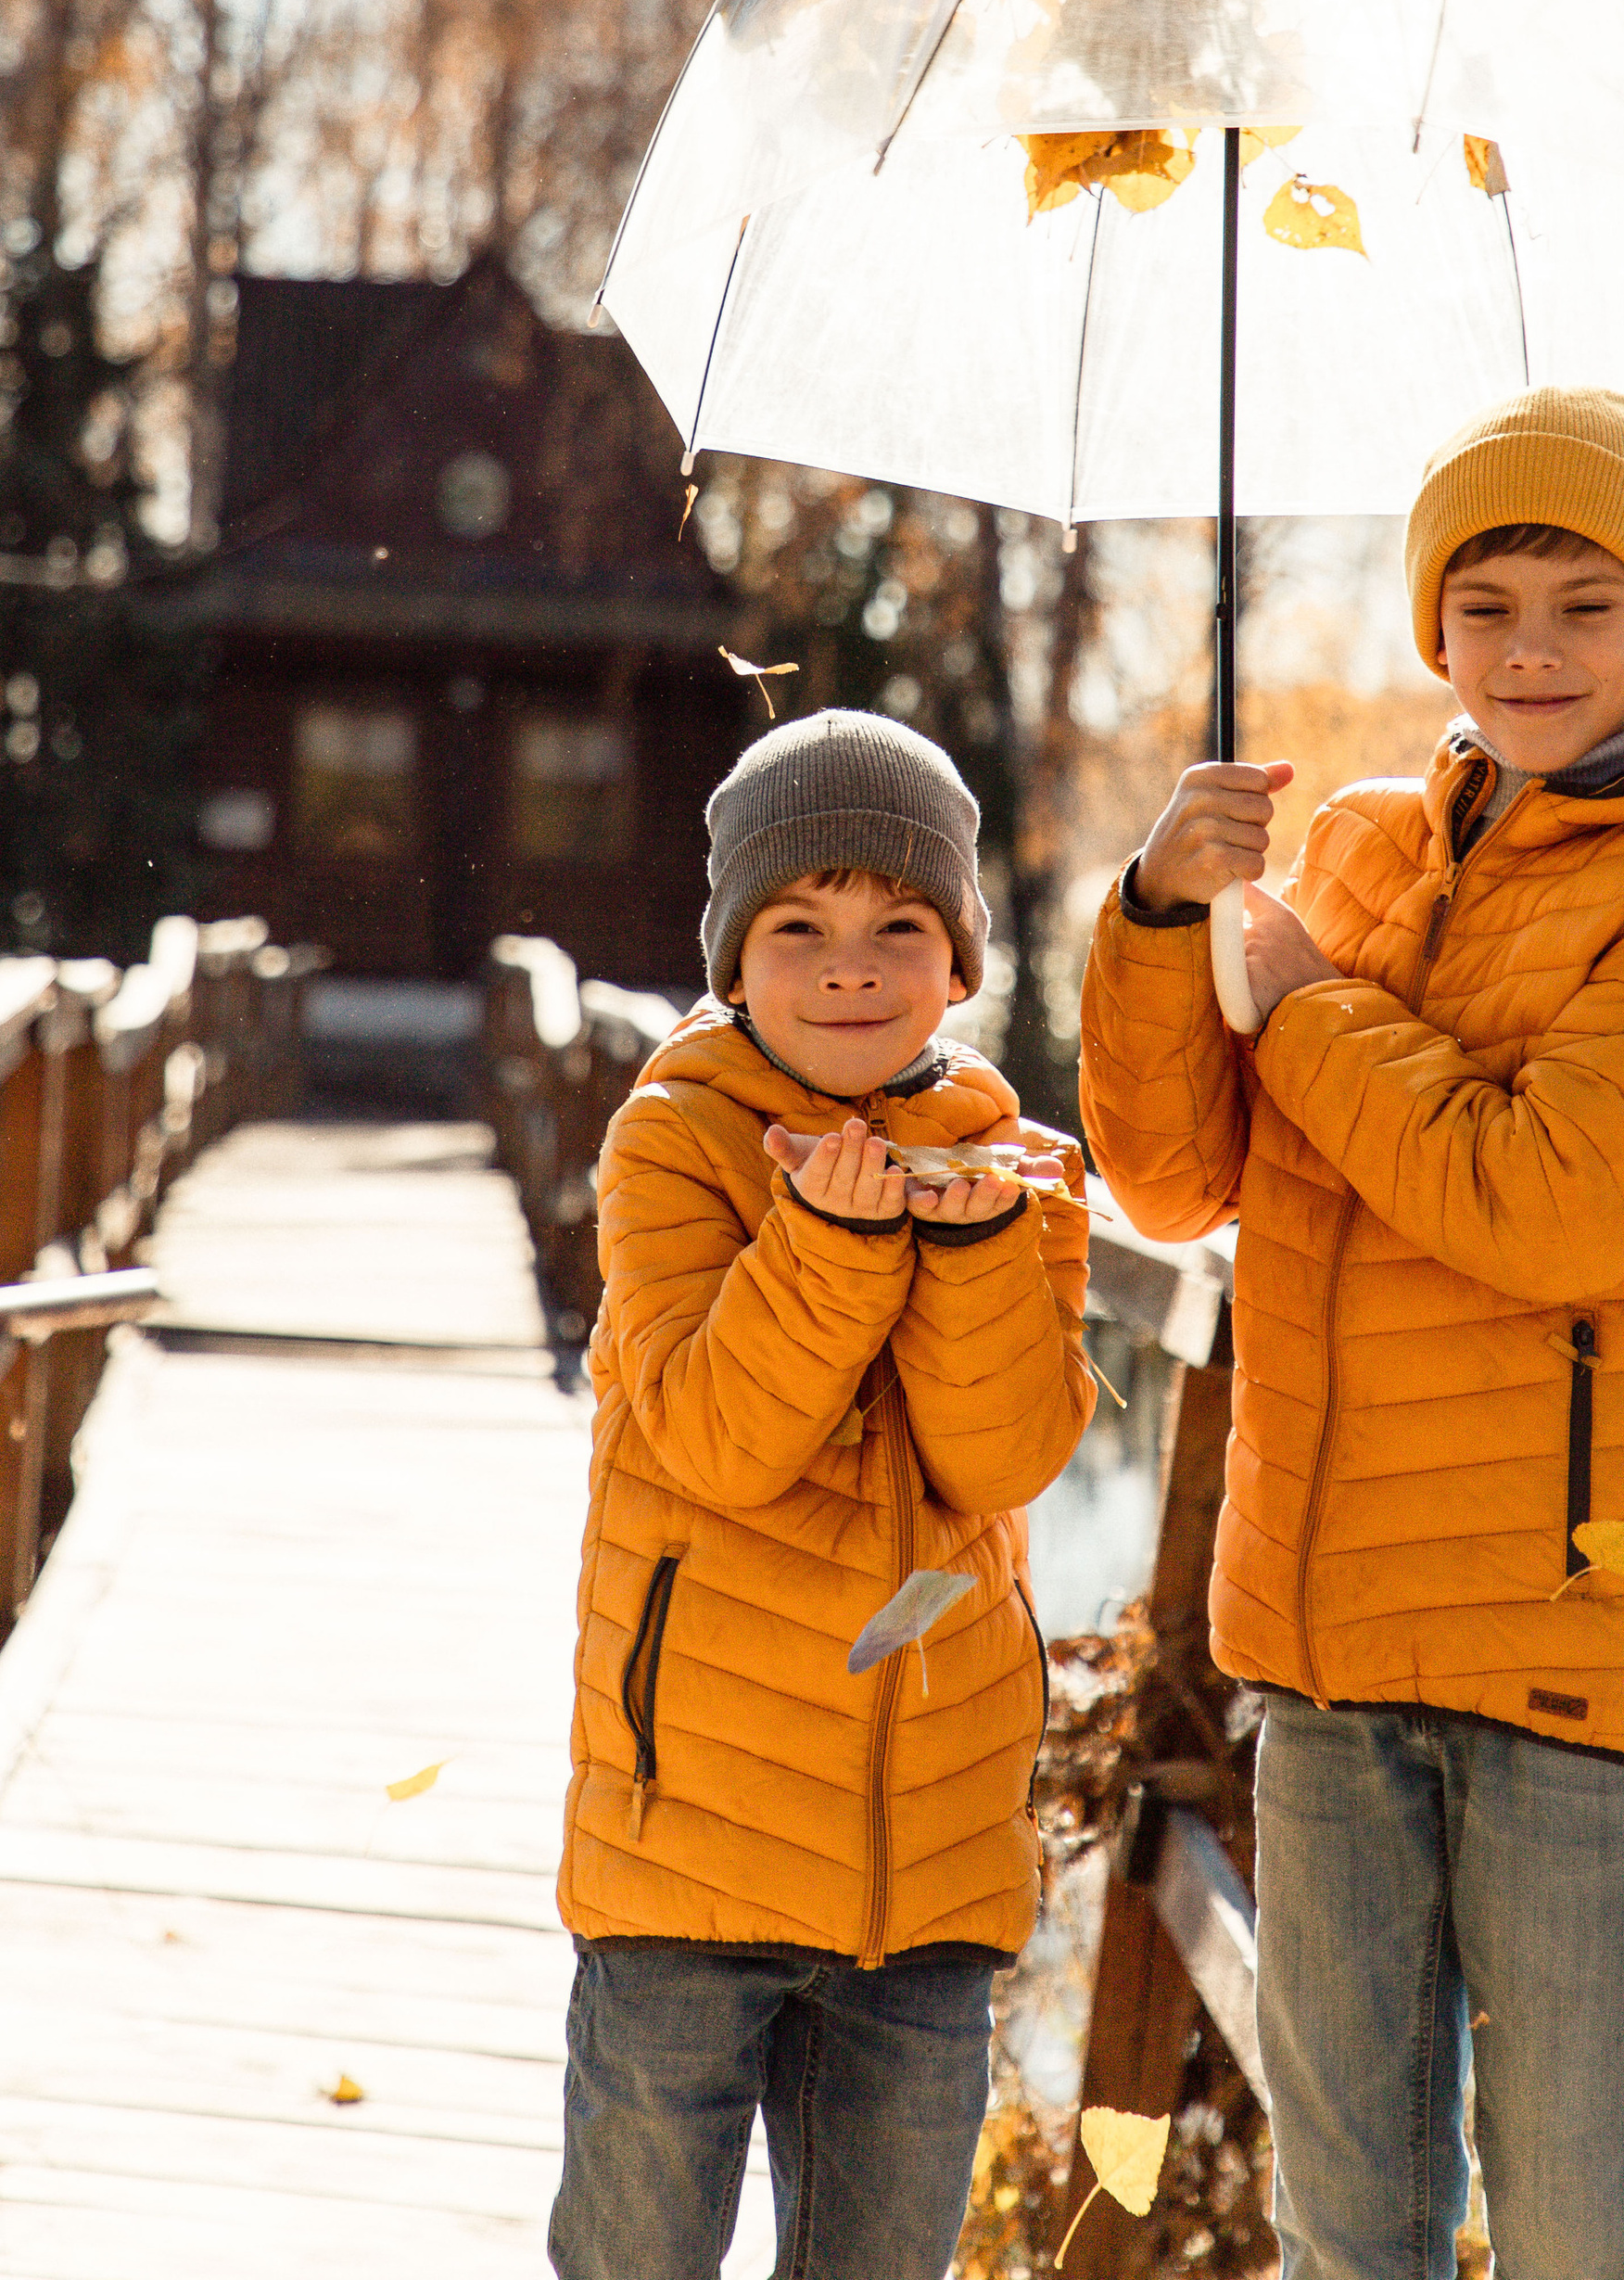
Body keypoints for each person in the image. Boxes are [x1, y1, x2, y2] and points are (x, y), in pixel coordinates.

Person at [1079, 386, 1624, 2280]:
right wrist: (1161, 920)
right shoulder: (1339, 850)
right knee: (1353, 2231)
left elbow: (1550, 1199)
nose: (1526, 650)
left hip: (1568, 1647)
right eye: (1484, 602)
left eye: (1581, 607)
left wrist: (1312, 1010)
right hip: (1326, 1650)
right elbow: (1172, 1186)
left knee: (1579, 2234)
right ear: (1432, 628)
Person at [549, 707, 1096, 2280]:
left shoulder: (1014, 1169)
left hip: (926, 1860)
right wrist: (835, 1244)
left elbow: (999, 1461)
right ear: (733, 962)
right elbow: (718, 1441)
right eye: (801, 928)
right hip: (688, 1842)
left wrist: (977, 1250)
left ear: (960, 963)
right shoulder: (672, 1146)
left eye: (897, 926)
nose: (850, 965)